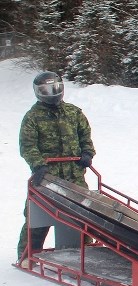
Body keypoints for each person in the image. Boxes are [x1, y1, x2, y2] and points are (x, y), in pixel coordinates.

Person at [17, 71, 95, 261]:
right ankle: (27, 254)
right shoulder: (33, 117)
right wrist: (38, 164)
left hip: (74, 172)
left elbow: (85, 135)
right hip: (47, 175)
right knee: (38, 214)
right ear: (38, 92)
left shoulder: (73, 112)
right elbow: (28, 145)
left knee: (84, 211)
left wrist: (87, 153)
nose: (52, 92)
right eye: (46, 89)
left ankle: (86, 250)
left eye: (55, 87)